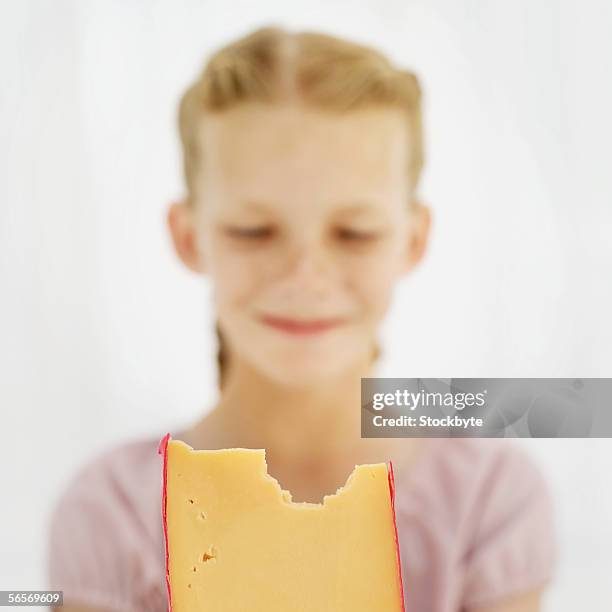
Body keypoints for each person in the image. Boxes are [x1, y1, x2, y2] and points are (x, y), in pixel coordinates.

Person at [47, 26, 555, 612]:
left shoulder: (490, 500)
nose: (305, 276)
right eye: (254, 232)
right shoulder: (109, 514)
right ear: (188, 238)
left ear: (413, 242)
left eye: (354, 234)